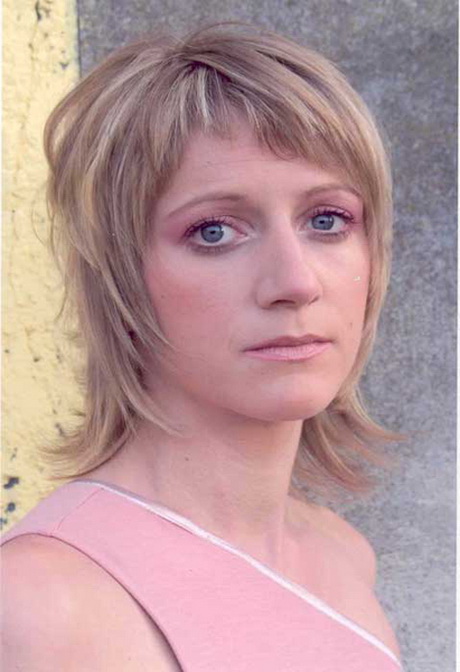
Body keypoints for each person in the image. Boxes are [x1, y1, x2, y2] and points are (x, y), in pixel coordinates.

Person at [1, 23, 403, 671]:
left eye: (327, 220)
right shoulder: (41, 605)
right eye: (214, 231)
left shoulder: (345, 555)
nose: (295, 282)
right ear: (121, 275)